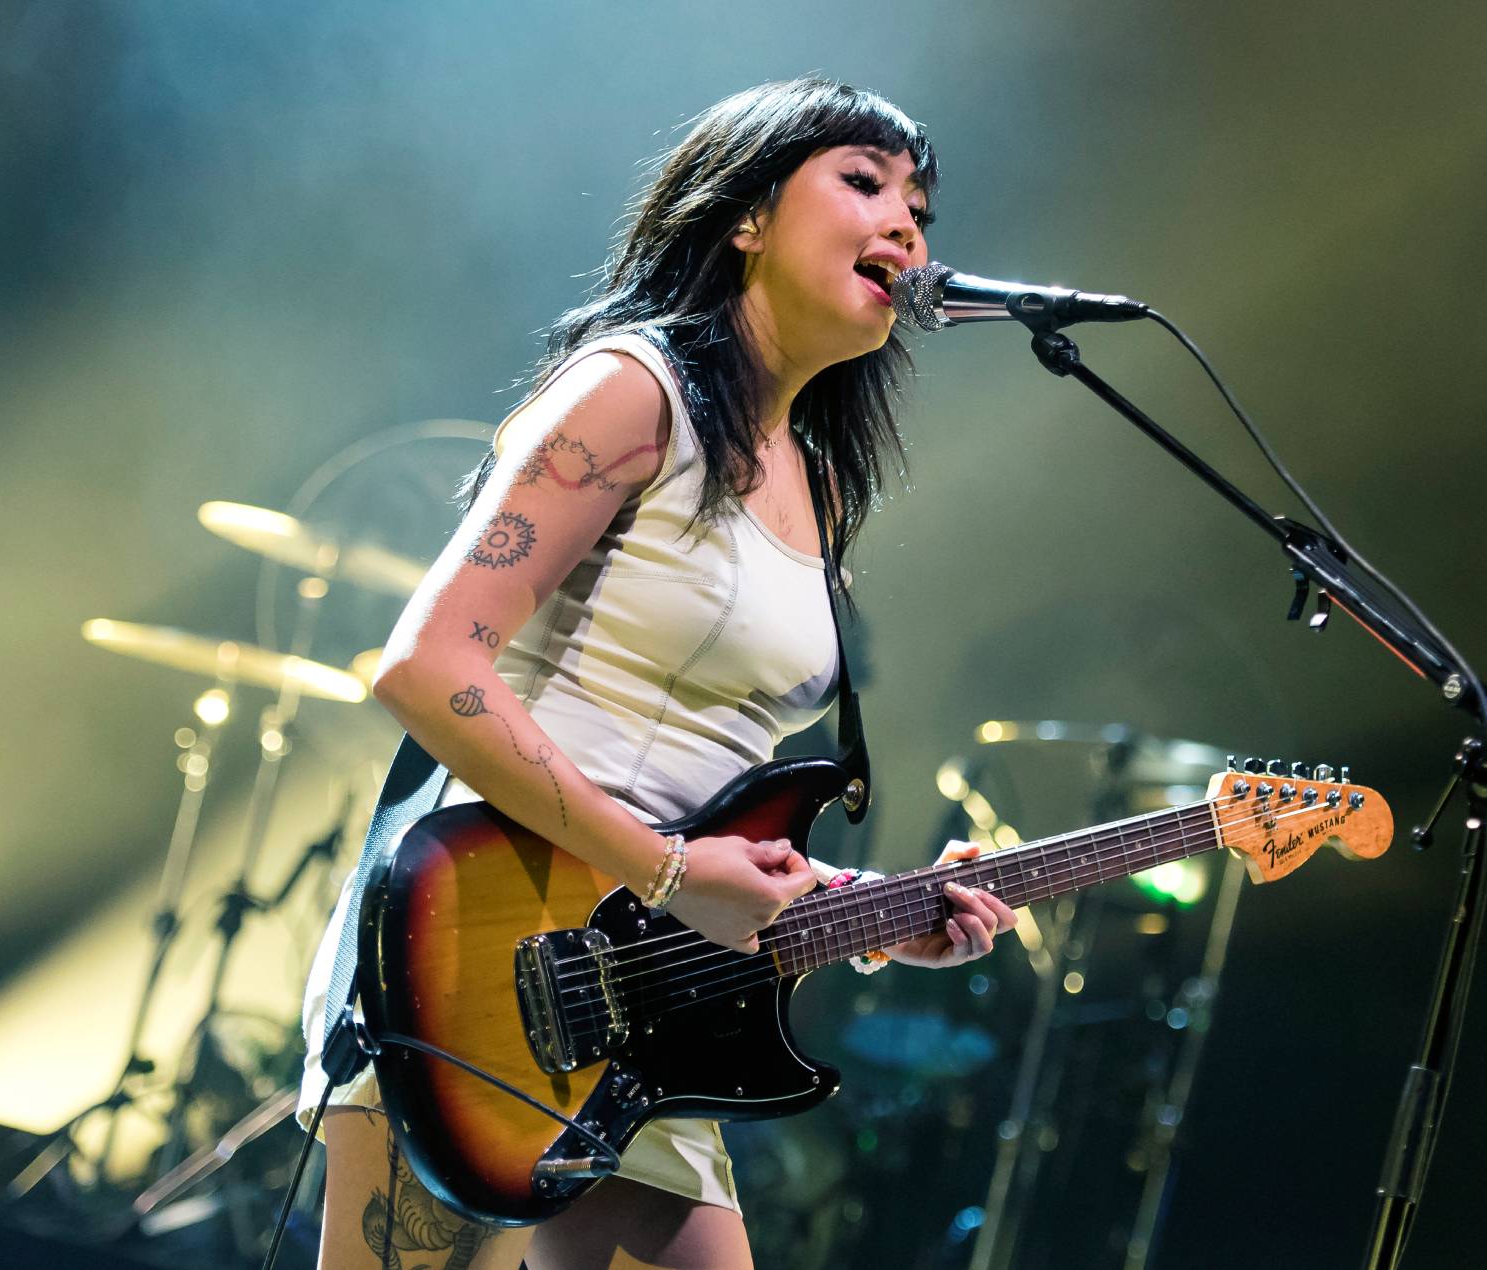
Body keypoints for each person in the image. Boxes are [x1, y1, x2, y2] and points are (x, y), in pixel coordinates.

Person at [295, 78, 1016, 1270]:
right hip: (477, 949)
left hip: (647, 997)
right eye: (862, 183)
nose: (906, 227)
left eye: (921, 209)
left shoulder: (820, 485)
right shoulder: (631, 392)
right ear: (742, 214)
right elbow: (426, 665)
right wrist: (673, 870)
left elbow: (698, 782)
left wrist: (860, 909)